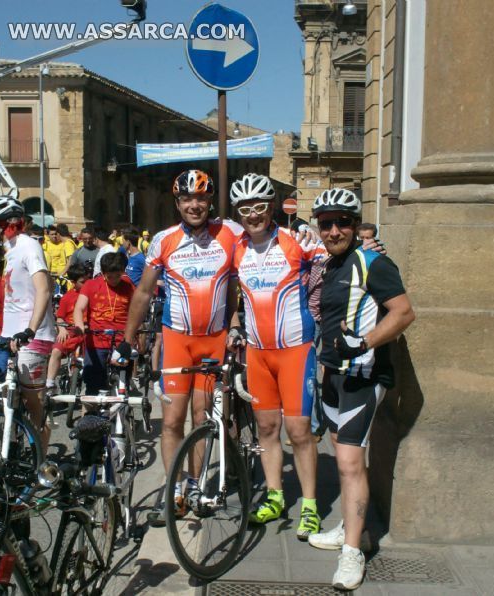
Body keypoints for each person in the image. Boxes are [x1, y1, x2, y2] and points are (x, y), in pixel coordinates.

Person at [121, 169, 243, 526]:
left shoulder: (229, 234)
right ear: (177, 203)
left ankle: (196, 484)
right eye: (187, 199)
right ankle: (174, 487)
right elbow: (143, 292)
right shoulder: (163, 240)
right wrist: (129, 339)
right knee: (172, 420)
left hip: (213, 340)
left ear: (210, 201)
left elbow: (265, 241)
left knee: (201, 417)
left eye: (201, 198)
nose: (194, 205)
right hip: (177, 340)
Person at [307, 188, 415, 591]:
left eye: (343, 222)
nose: (334, 230)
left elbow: (404, 312)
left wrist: (366, 341)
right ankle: (352, 528)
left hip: (364, 377)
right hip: (335, 375)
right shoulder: (334, 264)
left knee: (351, 463)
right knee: (344, 458)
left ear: (355, 225)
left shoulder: (374, 263)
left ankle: (354, 551)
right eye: (326, 224)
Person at [225, 173, 325, 540]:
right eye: (245, 209)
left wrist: (371, 251)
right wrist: (234, 325)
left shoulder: (296, 241)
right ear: (238, 212)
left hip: (296, 349)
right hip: (258, 352)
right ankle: (275, 496)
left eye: (260, 207)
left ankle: (311, 506)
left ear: (271, 208)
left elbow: (338, 263)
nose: (253, 215)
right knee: (267, 429)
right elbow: (231, 293)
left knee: (299, 431)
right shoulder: (236, 249)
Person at [0, 195, 56, 451]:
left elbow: (43, 289)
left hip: (32, 337)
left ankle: (40, 465)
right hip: (7, 338)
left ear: (6, 223)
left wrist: (31, 329)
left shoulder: (29, 246)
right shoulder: (8, 250)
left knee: (35, 409)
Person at [73, 252, 134, 394]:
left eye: (118, 276)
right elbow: (79, 307)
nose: (114, 280)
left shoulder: (129, 286)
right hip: (96, 338)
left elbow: (136, 311)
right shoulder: (91, 285)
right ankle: (90, 413)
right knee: (93, 384)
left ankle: (121, 409)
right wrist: (79, 325)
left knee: (123, 377)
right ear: (102, 273)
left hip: (121, 339)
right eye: (109, 276)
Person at [45, 263, 89, 390]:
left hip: (89, 331)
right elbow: (60, 317)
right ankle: (50, 384)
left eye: (87, 280)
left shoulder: (92, 294)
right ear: (73, 282)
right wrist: (62, 329)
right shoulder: (67, 298)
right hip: (72, 331)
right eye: (82, 282)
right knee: (56, 350)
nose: (86, 284)